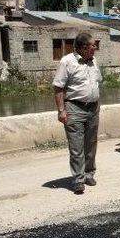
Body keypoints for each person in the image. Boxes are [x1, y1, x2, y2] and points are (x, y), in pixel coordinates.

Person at [52, 32, 102, 194]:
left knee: (91, 144)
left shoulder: (93, 60)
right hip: (74, 108)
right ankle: (78, 179)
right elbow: (58, 87)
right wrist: (61, 110)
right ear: (83, 47)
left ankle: (89, 174)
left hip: (93, 108)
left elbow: (96, 82)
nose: (95, 48)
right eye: (93, 45)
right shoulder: (67, 62)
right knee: (76, 146)